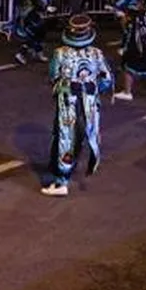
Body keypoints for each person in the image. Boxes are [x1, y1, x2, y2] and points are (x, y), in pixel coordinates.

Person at [43, 14, 112, 197]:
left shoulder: (60, 53)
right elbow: (107, 79)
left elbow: (52, 76)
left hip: (67, 101)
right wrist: (93, 89)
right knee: (84, 134)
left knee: (64, 137)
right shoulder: (97, 53)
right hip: (89, 102)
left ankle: (61, 181)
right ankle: (73, 170)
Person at [14, 0, 54, 65]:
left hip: (38, 14)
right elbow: (35, 1)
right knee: (32, 36)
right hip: (31, 14)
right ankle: (21, 54)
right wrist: (45, 7)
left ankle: (39, 53)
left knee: (40, 34)